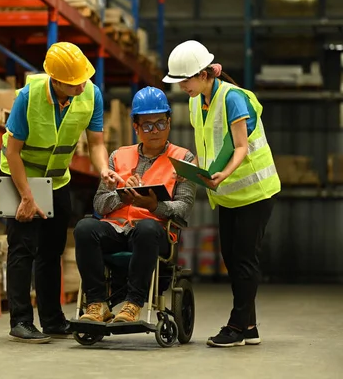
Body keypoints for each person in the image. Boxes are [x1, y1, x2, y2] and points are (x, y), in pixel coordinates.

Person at [0, 42, 123, 343]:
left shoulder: (91, 94)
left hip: (57, 180)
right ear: (55, 80)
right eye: (74, 83)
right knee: (22, 248)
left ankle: (52, 320)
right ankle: (21, 321)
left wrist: (103, 168)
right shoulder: (29, 97)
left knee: (51, 251)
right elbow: (13, 151)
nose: (81, 86)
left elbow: (95, 143)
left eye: (82, 79)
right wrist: (26, 195)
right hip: (20, 176)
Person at [163, 40, 281, 347]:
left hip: (255, 191)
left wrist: (222, 174)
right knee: (232, 255)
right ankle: (250, 326)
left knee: (244, 258)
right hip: (227, 193)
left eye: (185, 79)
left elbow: (241, 146)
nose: (182, 86)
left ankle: (236, 325)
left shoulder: (233, 99)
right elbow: (210, 145)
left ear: (204, 74)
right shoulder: (194, 102)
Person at [73, 87, 196, 324]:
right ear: (136, 127)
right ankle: (97, 304)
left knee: (147, 229)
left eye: (160, 123)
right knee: (84, 228)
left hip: (154, 233)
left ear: (169, 123)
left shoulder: (183, 159)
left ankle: (133, 304)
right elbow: (99, 202)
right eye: (147, 126)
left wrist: (154, 206)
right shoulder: (118, 156)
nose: (155, 131)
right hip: (116, 228)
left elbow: (183, 207)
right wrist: (121, 197)